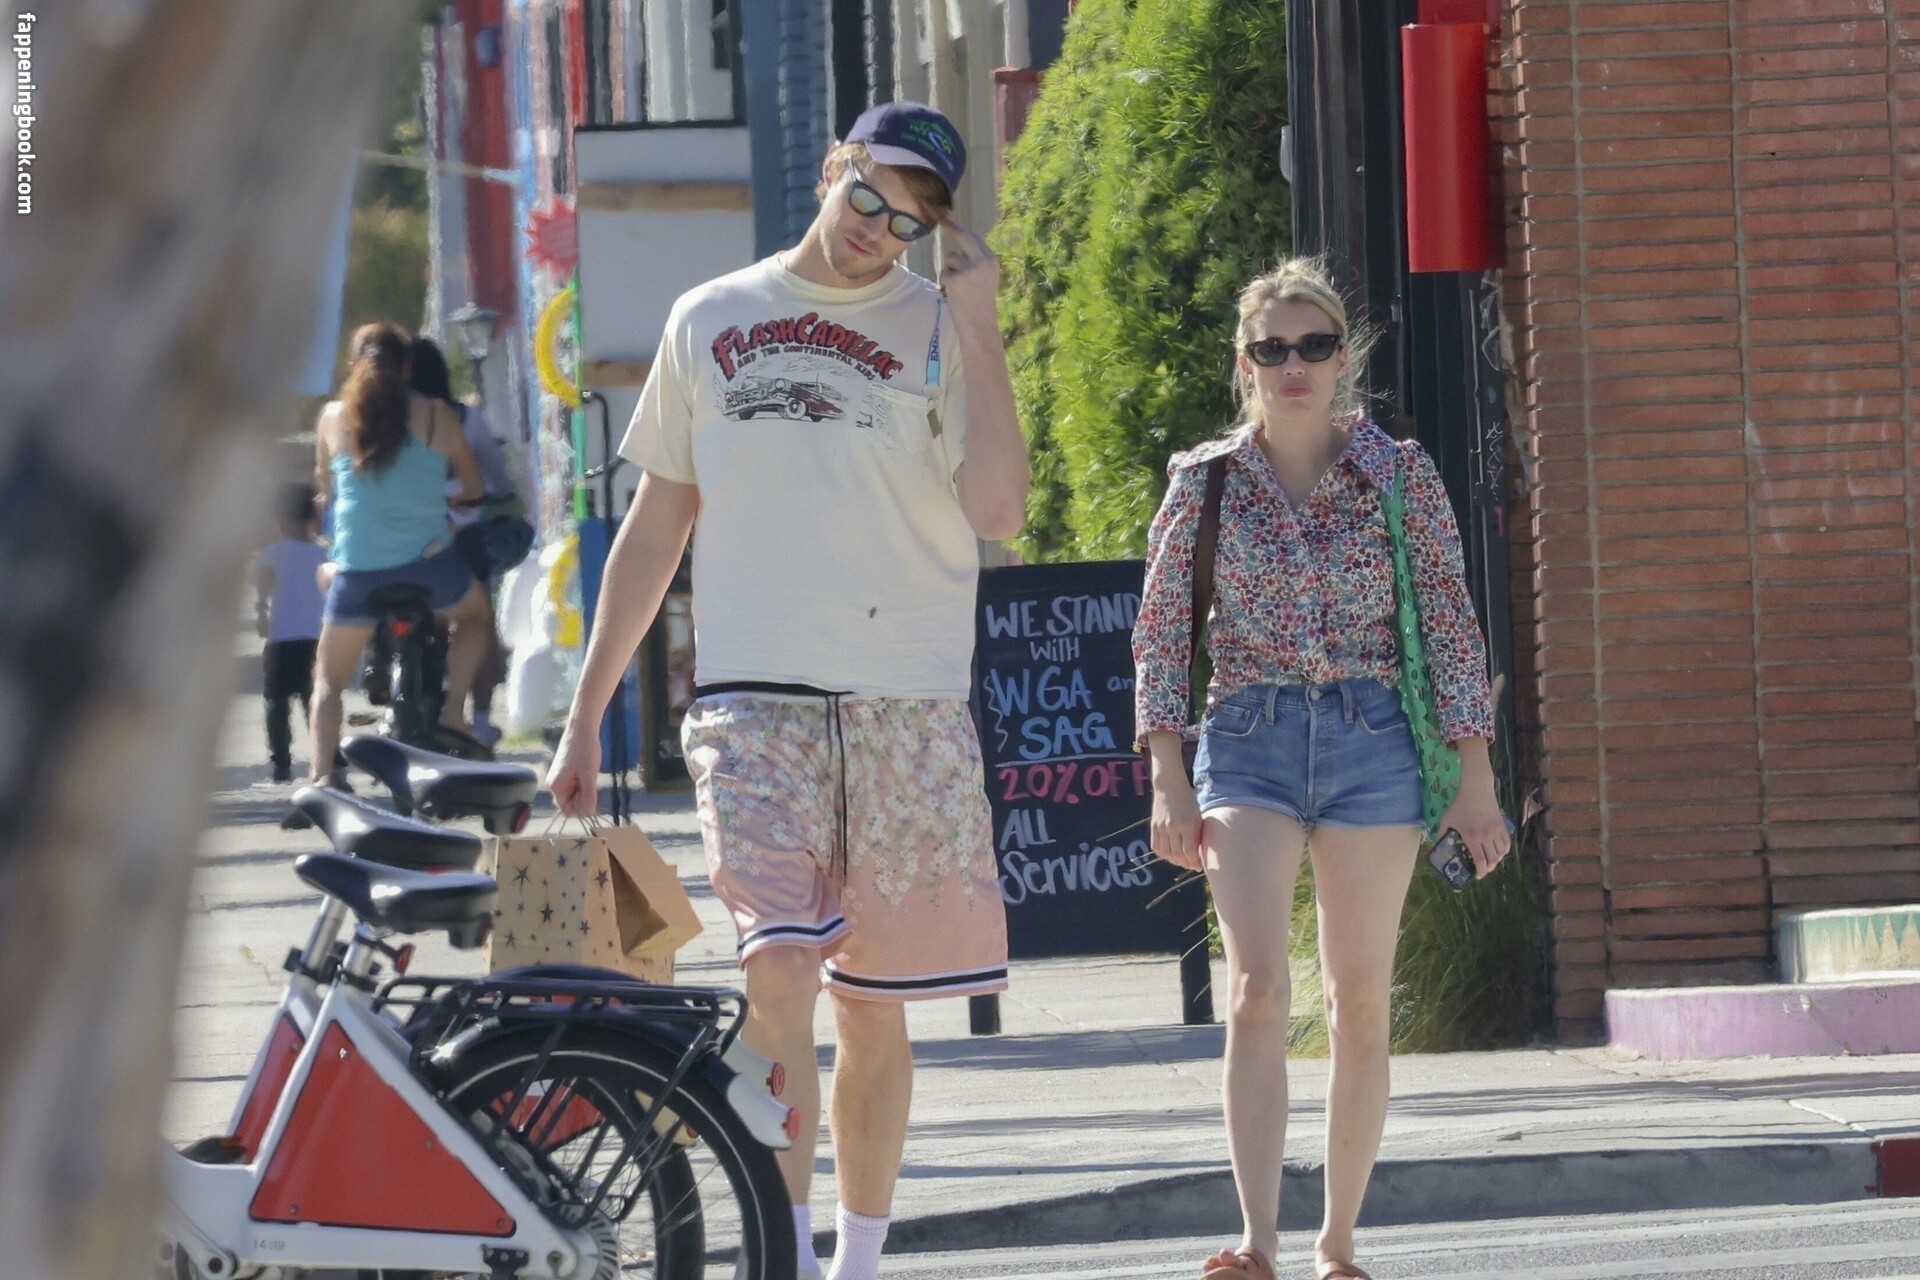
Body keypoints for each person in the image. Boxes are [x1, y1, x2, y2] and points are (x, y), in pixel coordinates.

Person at [546, 101, 1029, 1280]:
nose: (878, 231)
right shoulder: (709, 315)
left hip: (903, 700)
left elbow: (1000, 510)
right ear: (831, 168)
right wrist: (584, 715)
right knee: (779, 970)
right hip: (751, 699)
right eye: (869, 197)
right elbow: (655, 527)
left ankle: (855, 1259)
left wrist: (979, 327)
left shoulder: (938, 326)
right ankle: (787, 1256)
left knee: (872, 1003)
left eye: (908, 221)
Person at [1132, 259, 1510, 1280]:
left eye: (1314, 345)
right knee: (1257, 988)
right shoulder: (1204, 480)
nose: (1293, 364)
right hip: (1247, 736)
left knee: (1358, 1000)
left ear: (1344, 358)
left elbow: (1451, 623)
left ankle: (1337, 1242)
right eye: (1272, 348)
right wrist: (1166, 772)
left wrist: (1475, 777)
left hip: (1372, 738)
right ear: (1244, 363)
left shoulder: (1399, 473)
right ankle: (1256, 1241)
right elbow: (1161, 632)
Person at [306, 321, 490, 787]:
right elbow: (473, 486)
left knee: (327, 682)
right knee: (476, 617)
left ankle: (322, 775)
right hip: (430, 565)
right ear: (408, 367)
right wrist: (456, 502)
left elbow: (326, 488)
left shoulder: (332, 418)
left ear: (353, 365)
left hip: (358, 573)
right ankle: (453, 714)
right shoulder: (437, 416)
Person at [410, 334, 531, 747]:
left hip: (409, 540)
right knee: (479, 623)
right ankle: (478, 718)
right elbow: (497, 479)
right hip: (464, 539)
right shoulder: (465, 419)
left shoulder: (389, 425)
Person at [253, 482, 327, 783]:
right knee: (315, 699)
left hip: (281, 638)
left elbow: (263, 587)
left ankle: (281, 762)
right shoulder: (324, 553)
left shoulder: (271, 554)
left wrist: (261, 611)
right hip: (316, 639)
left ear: (278, 520)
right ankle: (326, 754)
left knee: (277, 703)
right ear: (312, 517)